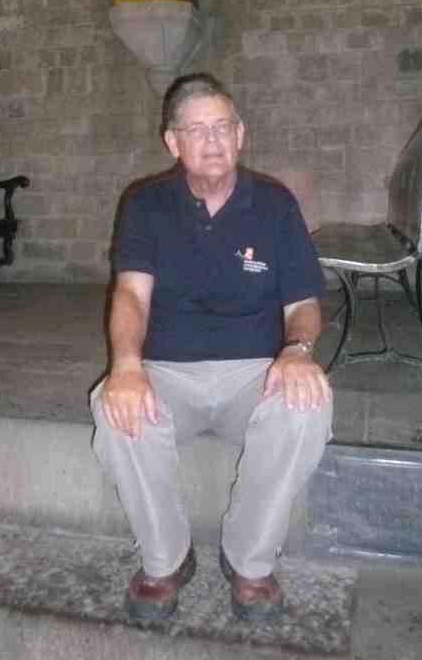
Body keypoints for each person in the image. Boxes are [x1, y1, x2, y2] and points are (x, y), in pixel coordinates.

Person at [91, 73, 332, 623]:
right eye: (196, 130)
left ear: (241, 133)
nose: (213, 140)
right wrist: (126, 365)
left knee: (309, 400)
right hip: (167, 371)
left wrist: (297, 350)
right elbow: (130, 293)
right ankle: (166, 560)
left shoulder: (273, 204)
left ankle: (249, 560)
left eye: (223, 126)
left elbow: (303, 306)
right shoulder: (147, 204)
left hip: (253, 372)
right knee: (114, 404)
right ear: (173, 143)